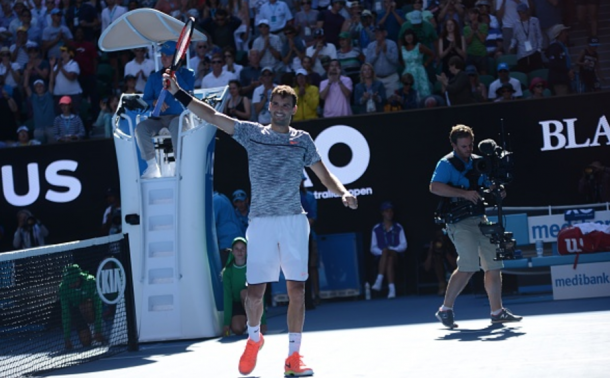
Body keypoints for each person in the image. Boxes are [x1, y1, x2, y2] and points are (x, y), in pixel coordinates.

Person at [162, 69, 358, 377]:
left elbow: (325, 176)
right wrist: (177, 92)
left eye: (285, 105)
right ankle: (254, 339)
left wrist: (343, 192)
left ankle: (293, 358)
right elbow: (212, 116)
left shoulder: (303, 141)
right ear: (269, 106)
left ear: (294, 109)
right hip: (262, 224)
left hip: (294, 221)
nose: (279, 110)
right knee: (254, 294)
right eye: (275, 104)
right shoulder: (252, 133)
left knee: (297, 291)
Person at [430, 124, 522, 328]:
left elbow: (486, 183)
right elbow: (434, 187)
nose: (468, 149)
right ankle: (445, 309)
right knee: (468, 266)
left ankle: (497, 312)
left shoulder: (479, 162)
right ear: (454, 145)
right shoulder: (446, 163)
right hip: (458, 221)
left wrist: (497, 190)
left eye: (470, 145)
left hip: (479, 219)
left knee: (494, 265)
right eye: (463, 146)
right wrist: (463, 193)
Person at [136, 41, 195, 179]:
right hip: (158, 119)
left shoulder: (187, 74)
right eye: (162, 55)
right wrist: (155, 102)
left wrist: (174, 74)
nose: (163, 58)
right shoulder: (154, 77)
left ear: (176, 58)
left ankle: (179, 165)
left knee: (176, 125)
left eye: (167, 55)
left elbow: (188, 93)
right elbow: (146, 100)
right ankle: (152, 167)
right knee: (141, 128)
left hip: (178, 117)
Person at [222, 237, 268, 336]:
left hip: (252, 302)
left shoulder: (253, 268)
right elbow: (228, 297)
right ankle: (246, 323)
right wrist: (226, 323)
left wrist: (263, 322)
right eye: (237, 249)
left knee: (244, 293)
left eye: (243, 248)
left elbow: (260, 295)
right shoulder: (227, 272)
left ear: (247, 250)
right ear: (232, 252)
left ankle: (255, 323)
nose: (240, 251)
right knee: (237, 329)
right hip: (237, 304)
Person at [59, 264, 105, 349]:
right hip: (77, 314)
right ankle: (87, 332)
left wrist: (98, 330)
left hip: (92, 311)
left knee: (85, 305)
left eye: (72, 281)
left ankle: (98, 330)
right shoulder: (63, 288)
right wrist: (67, 338)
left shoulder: (91, 282)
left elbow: (98, 306)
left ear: (78, 278)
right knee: (86, 341)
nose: (70, 284)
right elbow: (66, 313)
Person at [370, 201, 407, 299]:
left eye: (391, 211)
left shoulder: (398, 227)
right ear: (382, 213)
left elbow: (403, 245)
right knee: (388, 258)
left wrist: (392, 249)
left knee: (389, 254)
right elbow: (373, 248)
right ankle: (392, 289)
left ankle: (379, 279)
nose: (389, 213)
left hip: (396, 255)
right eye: (387, 211)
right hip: (381, 258)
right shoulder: (376, 228)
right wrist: (383, 252)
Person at [300, 174, 319, 309]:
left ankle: (314, 296)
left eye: (301, 180)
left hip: (307, 237)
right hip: (292, 239)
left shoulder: (309, 197)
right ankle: (298, 300)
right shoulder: (287, 197)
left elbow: (312, 218)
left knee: (311, 267)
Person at [364, 25, 399, 98]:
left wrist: (386, 52)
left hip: (391, 78)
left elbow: (396, 61)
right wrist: (375, 54)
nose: (377, 34)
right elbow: (367, 64)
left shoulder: (392, 44)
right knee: (378, 102)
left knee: (393, 101)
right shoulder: (370, 46)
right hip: (377, 79)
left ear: (385, 33)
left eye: (379, 32)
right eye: (375, 32)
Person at [509, 3, 544, 74]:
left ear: (527, 12)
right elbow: (514, 38)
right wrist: (512, 46)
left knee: (536, 72)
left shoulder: (535, 21)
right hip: (522, 54)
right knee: (524, 72)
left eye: (523, 13)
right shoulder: (516, 23)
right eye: (519, 13)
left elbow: (539, 36)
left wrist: (539, 49)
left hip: (534, 51)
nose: (521, 15)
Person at [400, 28, 433, 99]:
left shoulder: (419, 46)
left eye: (410, 35)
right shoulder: (402, 48)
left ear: (413, 36)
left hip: (419, 73)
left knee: (422, 94)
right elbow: (400, 60)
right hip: (407, 73)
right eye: (407, 36)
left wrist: (426, 64)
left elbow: (432, 54)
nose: (409, 38)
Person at [214, 191, 244, 267]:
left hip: (227, 246)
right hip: (233, 242)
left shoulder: (216, 200)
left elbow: (209, 223)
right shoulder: (221, 197)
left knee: (226, 273)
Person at [423, 229, 457, 296]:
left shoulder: (452, 246)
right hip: (436, 275)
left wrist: (446, 252)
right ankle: (442, 284)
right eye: (439, 238)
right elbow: (426, 268)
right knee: (437, 261)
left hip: (454, 272)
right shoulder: (432, 250)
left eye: (442, 238)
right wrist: (431, 251)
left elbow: (455, 265)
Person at [545, 24, 573, 96]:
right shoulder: (554, 47)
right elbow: (553, 63)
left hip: (564, 79)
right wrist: (567, 70)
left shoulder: (562, 47)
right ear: (559, 34)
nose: (567, 34)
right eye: (564, 32)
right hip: (559, 81)